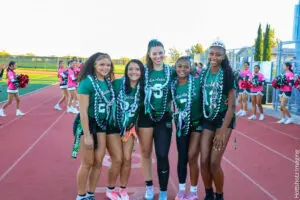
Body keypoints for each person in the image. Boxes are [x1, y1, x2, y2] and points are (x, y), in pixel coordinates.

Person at [74, 52, 115, 200]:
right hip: (88, 125)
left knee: (98, 162)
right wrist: (86, 135)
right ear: (94, 65)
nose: (105, 67)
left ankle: (90, 193)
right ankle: (81, 195)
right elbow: (83, 112)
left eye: (108, 65)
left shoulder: (107, 82)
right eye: (102, 64)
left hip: (102, 126)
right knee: (87, 163)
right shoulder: (87, 82)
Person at [199, 40, 236, 200]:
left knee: (214, 162)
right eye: (212, 53)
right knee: (204, 160)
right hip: (207, 118)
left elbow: (232, 107)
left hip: (223, 120)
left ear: (223, 55)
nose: (214, 57)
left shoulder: (229, 74)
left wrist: (222, 131)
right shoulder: (203, 73)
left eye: (218, 54)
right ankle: (208, 194)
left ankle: (219, 195)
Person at [138, 39, 173, 200]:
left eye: (160, 53)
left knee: (162, 154)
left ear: (164, 53)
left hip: (164, 116)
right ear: (149, 55)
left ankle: (164, 191)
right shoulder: (143, 72)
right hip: (146, 116)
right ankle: (150, 187)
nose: (158, 56)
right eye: (154, 53)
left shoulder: (171, 71)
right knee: (145, 152)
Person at [105, 59, 145, 200]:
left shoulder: (144, 89)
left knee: (127, 159)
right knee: (118, 159)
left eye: (137, 69)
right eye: (131, 69)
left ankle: (122, 189)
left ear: (141, 72)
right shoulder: (117, 84)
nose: (134, 72)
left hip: (129, 129)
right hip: (114, 128)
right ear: (126, 71)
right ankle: (110, 189)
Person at [171, 56, 202, 200]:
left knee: (192, 157)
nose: (182, 69)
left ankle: (194, 191)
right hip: (181, 126)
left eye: (185, 66)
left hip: (197, 125)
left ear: (190, 68)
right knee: (182, 158)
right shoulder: (172, 85)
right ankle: (182, 190)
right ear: (175, 68)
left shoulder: (197, 82)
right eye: (179, 66)